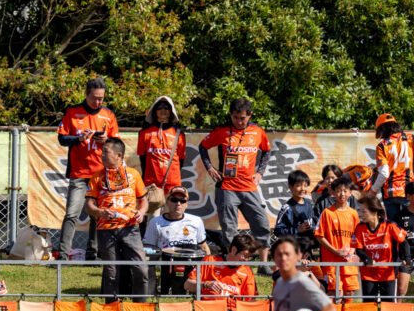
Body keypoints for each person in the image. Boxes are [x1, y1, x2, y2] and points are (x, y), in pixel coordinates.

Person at [55, 77, 119, 259]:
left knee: (97, 215)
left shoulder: (108, 114)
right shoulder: (72, 112)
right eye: (94, 98)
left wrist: (107, 140)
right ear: (86, 94)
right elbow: (61, 138)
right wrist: (79, 139)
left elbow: (117, 144)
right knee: (71, 214)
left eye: (101, 98)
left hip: (101, 174)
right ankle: (63, 255)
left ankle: (93, 253)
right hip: (79, 174)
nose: (98, 102)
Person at [199, 98, 273, 249]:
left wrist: (260, 172)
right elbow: (203, 146)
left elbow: (267, 151)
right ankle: (233, 260)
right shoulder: (222, 130)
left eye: (243, 118)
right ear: (230, 114)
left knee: (262, 225)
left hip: (249, 187)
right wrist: (210, 168)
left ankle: (264, 261)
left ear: (250, 115)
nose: (239, 122)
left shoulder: (257, 131)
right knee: (229, 230)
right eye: (235, 117)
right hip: (227, 188)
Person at [86, 138, 150, 300]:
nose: (101, 155)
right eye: (102, 152)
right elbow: (88, 205)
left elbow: (144, 200)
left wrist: (141, 212)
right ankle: (111, 308)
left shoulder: (134, 174)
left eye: (106, 152)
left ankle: (140, 307)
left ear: (119, 155)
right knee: (112, 273)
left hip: (130, 229)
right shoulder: (97, 177)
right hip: (106, 230)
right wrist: (99, 212)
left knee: (141, 269)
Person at [143, 186, 209, 296]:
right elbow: (148, 248)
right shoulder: (156, 222)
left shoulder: (196, 221)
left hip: (191, 265)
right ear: (167, 202)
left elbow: (203, 246)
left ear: (186, 204)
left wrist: (209, 266)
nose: (178, 204)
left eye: (182, 201)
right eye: (174, 200)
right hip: (166, 265)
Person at [185, 234, 263, 311]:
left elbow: (250, 300)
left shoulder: (247, 271)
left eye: (249, 257)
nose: (246, 260)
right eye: (245, 256)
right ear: (234, 250)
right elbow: (187, 285)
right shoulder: (210, 261)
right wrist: (205, 284)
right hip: (209, 309)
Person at [370, 114, 414, 226]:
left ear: (382, 129)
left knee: (393, 227)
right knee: (411, 226)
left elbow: (384, 173)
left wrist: (373, 191)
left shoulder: (382, 145)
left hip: (390, 193)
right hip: (409, 190)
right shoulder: (412, 138)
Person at [136, 95, 185, 216]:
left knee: (172, 218)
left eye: (167, 107)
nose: (163, 110)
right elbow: (142, 158)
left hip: (173, 184)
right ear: (154, 111)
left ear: (171, 111)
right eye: (160, 107)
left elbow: (181, 160)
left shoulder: (179, 134)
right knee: (153, 219)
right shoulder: (144, 133)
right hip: (152, 185)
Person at [313, 173, 360, 299]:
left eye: (345, 191)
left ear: (350, 193)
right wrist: (335, 251)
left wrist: (352, 250)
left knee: (349, 293)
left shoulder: (354, 214)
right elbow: (319, 236)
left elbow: (357, 236)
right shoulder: (327, 213)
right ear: (333, 192)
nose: (342, 194)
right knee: (334, 293)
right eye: (339, 191)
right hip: (332, 262)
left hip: (348, 261)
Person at [352, 193, 404, 299]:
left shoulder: (390, 225)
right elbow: (358, 249)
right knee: (370, 304)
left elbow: (403, 241)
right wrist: (366, 258)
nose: (361, 215)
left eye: (364, 212)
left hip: (388, 272)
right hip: (368, 273)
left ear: (375, 211)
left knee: (388, 305)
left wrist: (406, 258)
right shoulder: (360, 228)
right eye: (360, 211)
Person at [273, 169, 318, 255]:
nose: (302, 189)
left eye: (305, 186)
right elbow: (278, 231)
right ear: (290, 187)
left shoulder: (309, 204)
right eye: (298, 185)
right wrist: (297, 230)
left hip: (307, 250)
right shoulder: (287, 208)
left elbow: (312, 224)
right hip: (292, 250)